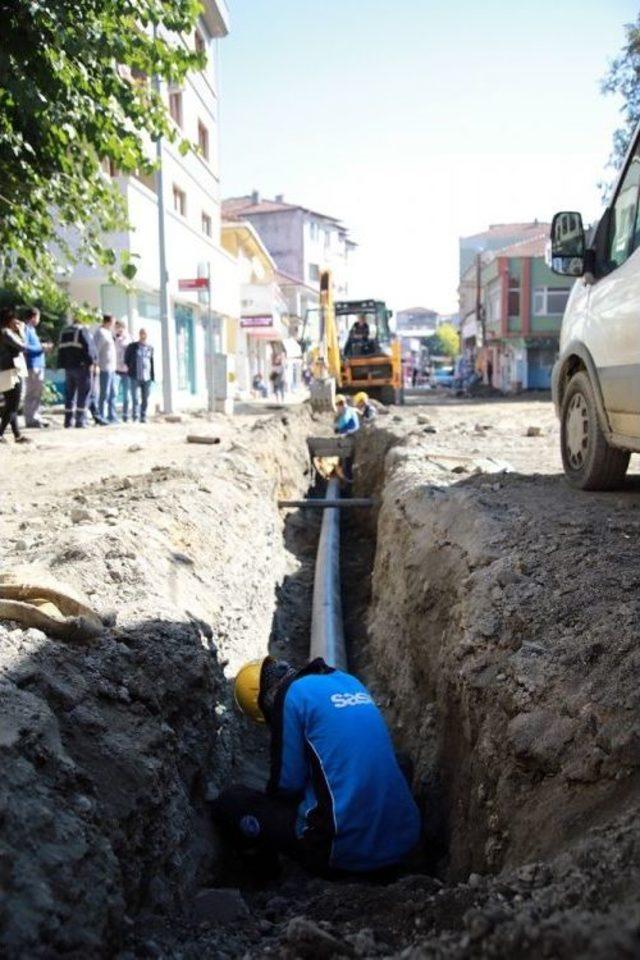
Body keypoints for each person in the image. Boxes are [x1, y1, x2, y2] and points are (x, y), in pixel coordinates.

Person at [212, 656, 421, 879]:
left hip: (344, 852)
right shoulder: (349, 680)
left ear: (265, 703)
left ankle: (265, 880)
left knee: (232, 802)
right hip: (403, 841)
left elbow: (287, 786)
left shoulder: (289, 697)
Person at [58, 315, 98, 428]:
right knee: (83, 393)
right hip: (82, 367)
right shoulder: (82, 331)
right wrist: (93, 362)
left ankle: (68, 421)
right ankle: (80, 421)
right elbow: (89, 349)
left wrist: (62, 365)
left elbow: (60, 350)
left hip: (68, 368)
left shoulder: (64, 332)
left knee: (69, 395)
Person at [0, 308, 30, 444]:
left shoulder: (4, 332)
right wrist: (21, 331)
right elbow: (23, 346)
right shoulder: (6, 332)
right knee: (13, 406)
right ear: (10, 320)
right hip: (11, 371)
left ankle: (17, 435)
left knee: (10, 404)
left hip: (5, 371)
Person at [22, 307, 51, 428]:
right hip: (32, 365)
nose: (39, 320)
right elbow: (25, 347)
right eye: (38, 317)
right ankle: (30, 419)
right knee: (32, 393)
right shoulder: (26, 329)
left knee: (37, 393)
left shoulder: (32, 330)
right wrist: (42, 348)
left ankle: (35, 416)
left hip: (38, 365)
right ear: (34, 317)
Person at [125, 328, 155, 423]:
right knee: (135, 398)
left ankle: (143, 416)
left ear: (147, 335)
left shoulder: (150, 347)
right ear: (139, 334)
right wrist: (130, 368)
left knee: (145, 398)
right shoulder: (133, 346)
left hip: (147, 377)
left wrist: (152, 375)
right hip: (135, 376)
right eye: (141, 333)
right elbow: (127, 359)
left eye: (145, 333)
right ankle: (135, 417)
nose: (143, 335)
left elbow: (151, 361)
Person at [94, 314, 118, 423]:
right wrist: (95, 364)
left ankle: (112, 415)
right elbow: (96, 350)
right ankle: (101, 416)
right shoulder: (100, 333)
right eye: (113, 322)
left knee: (113, 392)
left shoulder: (109, 333)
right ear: (107, 322)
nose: (114, 325)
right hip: (104, 367)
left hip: (112, 367)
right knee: (104, 393)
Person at [114, 320, 132, 422]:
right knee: (114, 393)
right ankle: (113, 415)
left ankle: (125, 415)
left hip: (126, 371)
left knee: (126, 394)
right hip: (116, 369)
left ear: (123, 328)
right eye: (116, 328)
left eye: (118, 327)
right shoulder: (114, 338)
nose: (117, 329)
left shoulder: (128, 339)